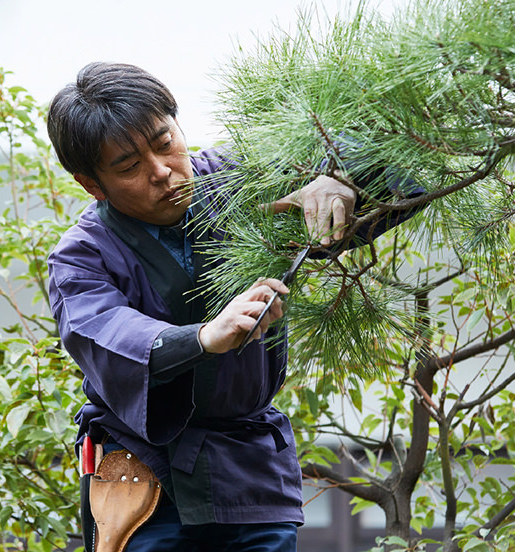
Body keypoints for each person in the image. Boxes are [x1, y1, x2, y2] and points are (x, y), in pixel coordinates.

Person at [46, 61, 414, 551]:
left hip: (251, 469)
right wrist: (204, 336)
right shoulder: (81, 255)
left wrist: (340, 182)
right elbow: (107, 332)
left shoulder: (237, 179)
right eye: (130, 167)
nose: (161, 171)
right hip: (145, 481)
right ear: (92, 184)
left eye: (164, 143)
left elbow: (388, 150)